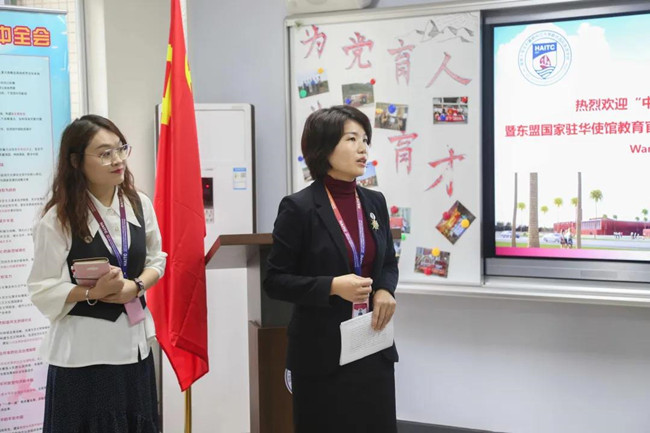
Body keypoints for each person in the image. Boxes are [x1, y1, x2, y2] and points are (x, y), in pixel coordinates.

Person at [27, 115, 166, 432]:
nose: (117, 160)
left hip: (134, 349)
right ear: (76, 161)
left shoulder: (138, 204)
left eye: (121, 149)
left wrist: (136, 286)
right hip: (83, 357)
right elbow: (41, 288)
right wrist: (92, 293)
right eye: (105, 153)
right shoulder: (58, 219)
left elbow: (157, 259)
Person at [264, 105, 399, 433]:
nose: (363, 148)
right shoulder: (298, 208)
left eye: (365, 139)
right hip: (321, 354)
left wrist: (384, 289)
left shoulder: (375, 202)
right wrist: (332, 286)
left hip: (371, 344)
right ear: (324, 148)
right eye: (351, 139)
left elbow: (388, 263)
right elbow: (275, 281)